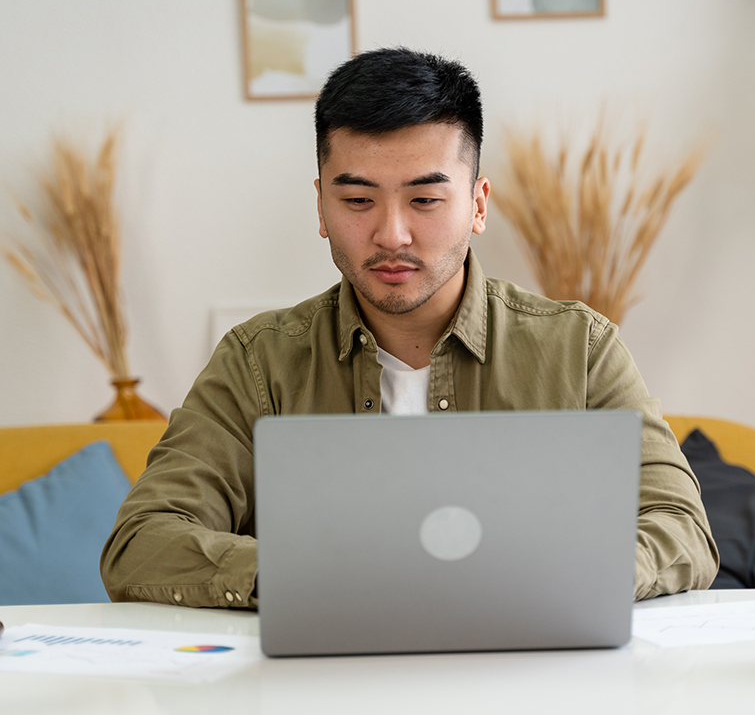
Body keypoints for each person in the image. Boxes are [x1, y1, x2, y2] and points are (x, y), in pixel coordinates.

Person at [101, 47, 718, 608]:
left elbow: (680, 525)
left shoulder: (577, 348)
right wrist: (315, 575)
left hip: (528, 678)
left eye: (425, 200)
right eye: (358, 200)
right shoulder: (257, 362)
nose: (392, 234)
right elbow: (141, 541)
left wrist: (552, 572)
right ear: (321, 206)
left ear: (477, 204)